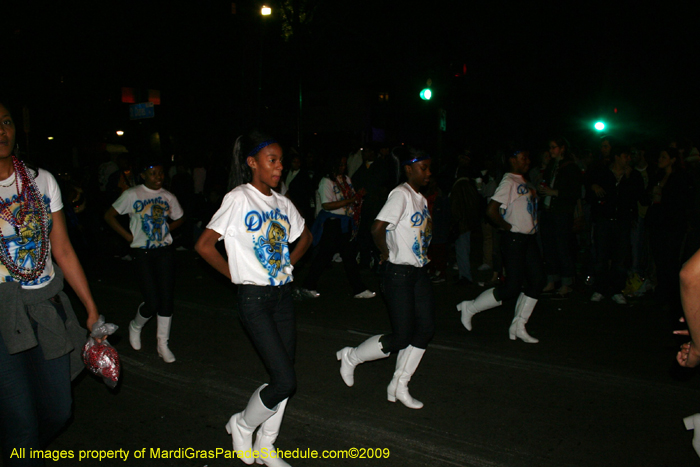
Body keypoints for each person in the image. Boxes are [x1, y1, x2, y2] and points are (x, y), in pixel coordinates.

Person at [195, 131, 312, 466]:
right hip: (255, 300)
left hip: (282, 297)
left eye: (281, 161)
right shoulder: (238, 199)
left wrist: (288, 262)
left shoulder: (283, 202)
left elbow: (306, 237)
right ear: (252, 163)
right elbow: (204, 245)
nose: (279, 167)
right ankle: (242, 424)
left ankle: (267, 445)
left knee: (283, 377)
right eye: (271, 160)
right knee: (285, 380)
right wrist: (235, 275)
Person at [0, 100, 101, 466]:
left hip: (45, 305)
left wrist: (90, 310)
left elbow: (63, 250)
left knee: (59, 410)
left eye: (7, 121)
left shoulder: (42, 181)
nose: (2, 130)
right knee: (22, 424)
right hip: (2, 311)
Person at [336, 147, 434, 409]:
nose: (428, 173)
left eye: (429, 168)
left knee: (424, 329)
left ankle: (399, 385)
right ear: (409, 169)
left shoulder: (421, 199)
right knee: (402, 337)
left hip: (418, 271)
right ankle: (352, 356)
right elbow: (377, 227)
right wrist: (386, 253)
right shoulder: (400, 195)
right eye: (423, 168)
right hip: (398, 273)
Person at [456, 149, 544, 343]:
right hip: (514, 239)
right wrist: (508, 227)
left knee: (538, 281)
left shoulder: (523, 182)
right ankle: (470, 307)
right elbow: (491, 210)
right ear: (512, 160)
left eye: (528, 157)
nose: (528, 161)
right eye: (523, 158)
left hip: (528, 239)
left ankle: (518, 325)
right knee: (512, 287)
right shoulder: (509, 181)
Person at [104, 161, 184, 363]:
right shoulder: (132, 194)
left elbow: (180, 217)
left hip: (164, 251)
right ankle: (136, 325)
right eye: (153, 173)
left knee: (166, 300)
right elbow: (109, 215)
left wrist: (167, 230)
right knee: (152, 302)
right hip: (142, 253)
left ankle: (162, 344)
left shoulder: (168, 197)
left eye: (161, 173)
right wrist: (128, 236)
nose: (158, 177)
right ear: (143, 175)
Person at [298, 154, 375, 299]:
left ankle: (358, 289)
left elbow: (351, 198)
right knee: (326, 256)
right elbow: (327, 205)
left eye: (344, 165)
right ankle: (308, 285)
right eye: (340, 165)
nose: (343, 167)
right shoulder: (326, 182)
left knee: (346, 256)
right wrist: (350, 200)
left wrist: (357, 197)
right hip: (332, 223)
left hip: (345, 222)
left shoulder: (346, 179)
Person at [538, 137, 582, 298]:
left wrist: (554, 192)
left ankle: (566, 282)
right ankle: (551, 280)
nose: (551, 151)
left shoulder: (571, 168)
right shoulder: (551, 165)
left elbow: (575, 193)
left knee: (562, 247)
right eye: (550, 148)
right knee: (549, 246)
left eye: (554, 147)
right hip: (548, 211)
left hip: (562, 213)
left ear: (562, 148)